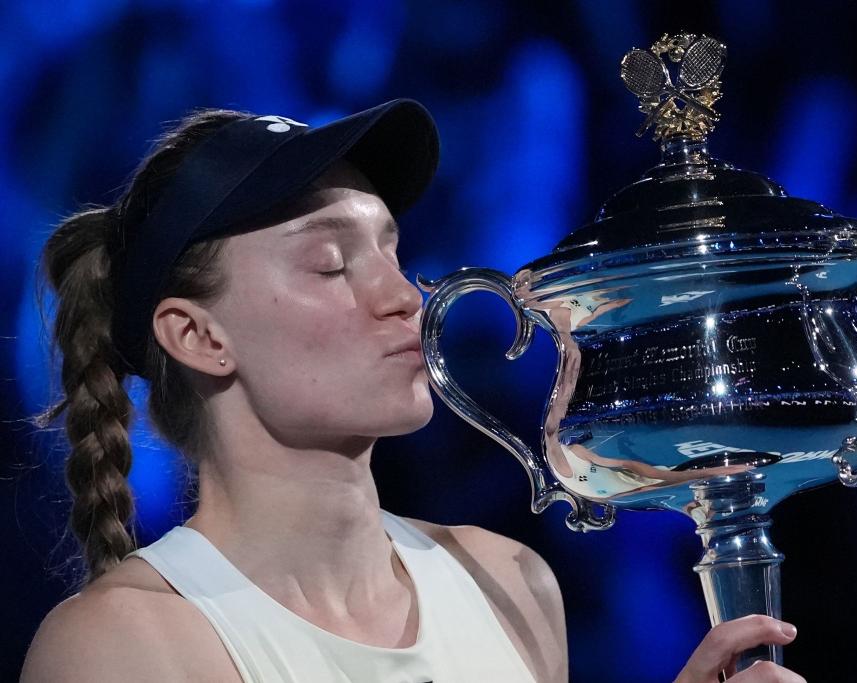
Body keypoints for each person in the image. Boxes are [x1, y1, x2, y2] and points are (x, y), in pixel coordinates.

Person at [19, 99, 805, 683]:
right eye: (330, 264)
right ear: (199, 337)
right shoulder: (123, 645)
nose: (406, 297)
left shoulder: (509, 582)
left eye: (394, 252)